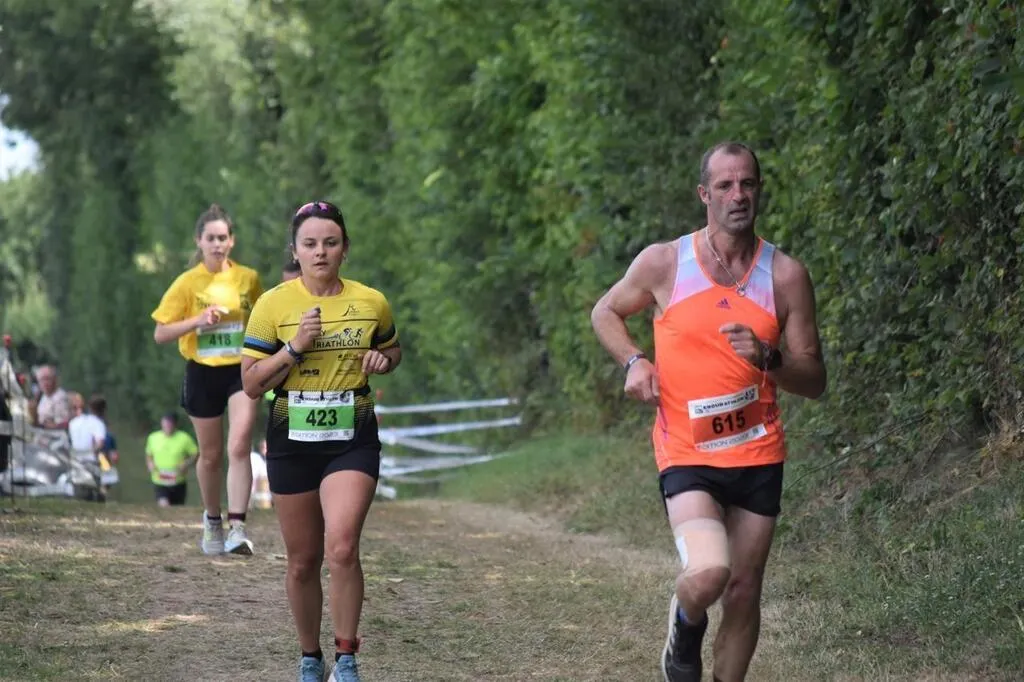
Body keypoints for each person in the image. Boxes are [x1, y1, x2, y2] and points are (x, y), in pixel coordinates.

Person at [590, 142, 827, 682]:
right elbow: (605, 310)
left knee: (744, 590)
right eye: (725, 185)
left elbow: (813, 379)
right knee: (709, 572)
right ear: (704, 195)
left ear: (759, 190)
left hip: (758, 453)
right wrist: (633, 361)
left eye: (747, 184)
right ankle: (685, 619)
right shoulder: (665, 262)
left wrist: (770, 359)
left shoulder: (786, 276)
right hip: (688, 453)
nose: (737, 195)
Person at [240, 200, 401, 682]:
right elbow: (250, 383)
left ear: (344, 249)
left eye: (330, 243)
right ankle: (311, 656)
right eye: (310, 244)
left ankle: (347, 658)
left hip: (353, 433)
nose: (320, 252)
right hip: (292, 435)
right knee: (302, 561)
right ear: (295, 249)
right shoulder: (272, 305)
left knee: (344, 547)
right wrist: (293, 348)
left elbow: (391, 349)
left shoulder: (371, 301)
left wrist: (383, 362)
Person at [151, 203, 264, 554]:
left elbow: (263, 321)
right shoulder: (187, 283)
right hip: (201, 372)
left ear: (232, 241)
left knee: (240, 444)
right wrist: (198, 320)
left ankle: (238, 527)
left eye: (223, 238)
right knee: (212, 455)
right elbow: (161, 333)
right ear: (199, 241)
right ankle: (212, 520)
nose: (217, 244)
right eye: (211, 238)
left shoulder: (248, 278)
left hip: (240, 370)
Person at [146, 412, 199, 507]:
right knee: (164, 505)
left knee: (177, 509)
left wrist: (187, 463)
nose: (167, 426)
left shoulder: (184, 438)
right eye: (165, 423)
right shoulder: (153, 437)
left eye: (170, 424)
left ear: (175, 424)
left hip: (178, 481)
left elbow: (195, 453)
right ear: (161, 423)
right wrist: (150, 463)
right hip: (159, 480)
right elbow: (149, 454)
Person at [34, 365, 71, 430]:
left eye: (47, 379)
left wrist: (41, 424)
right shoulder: (43, 397)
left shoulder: (60, 397)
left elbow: (63, 424)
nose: (45, 383)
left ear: (54, 379)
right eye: (41, 380)